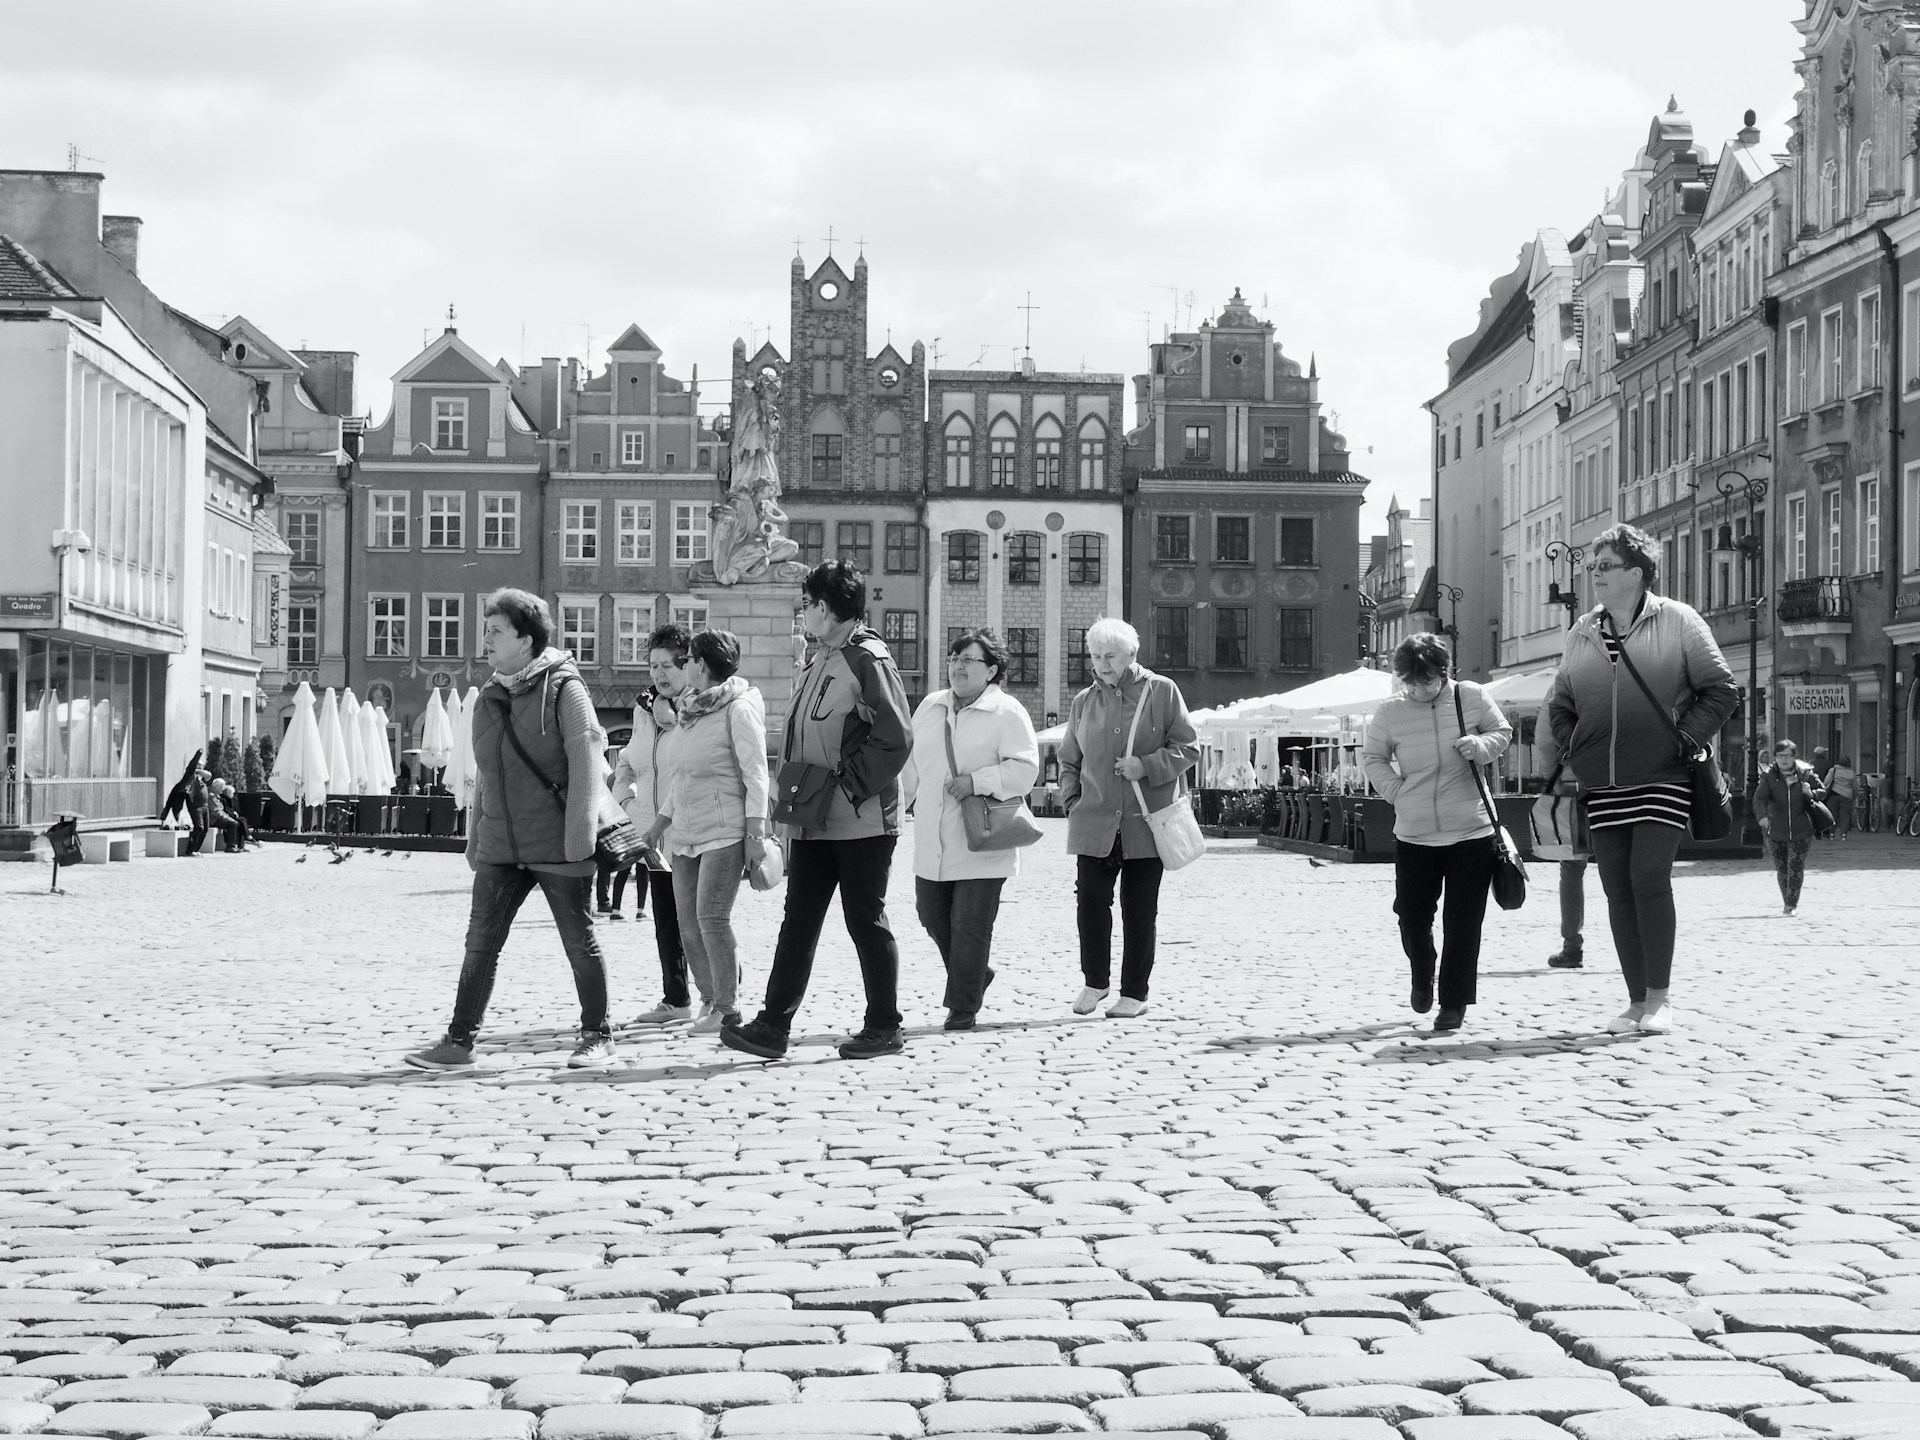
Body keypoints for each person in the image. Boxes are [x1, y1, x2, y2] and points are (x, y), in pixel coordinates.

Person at [405, 589, 618, 1072]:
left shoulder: (566, 689)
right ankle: (459, 1042)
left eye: (496, 631)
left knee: (577, 941)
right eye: (487, 630)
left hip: (558, 843)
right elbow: (486, 773)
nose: (487, 639)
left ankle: (597, 1035)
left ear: (525, 639)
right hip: (502, 844)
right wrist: (477, 837)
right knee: (480, 943)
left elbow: (587, 762)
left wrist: (579, 840)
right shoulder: (491, 695)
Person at [1546, 524, 1738, 1036]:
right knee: (1616, 888)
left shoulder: (1678, 621)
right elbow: (1560, 702)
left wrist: (1681, 740)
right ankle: (1636, 1001)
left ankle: (1660, 998)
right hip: (1603, 782)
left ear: (1635, 572)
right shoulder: (1582, 630)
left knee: (1648, 878)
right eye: (1592, 567)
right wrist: (1573, 748)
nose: (1594, 576)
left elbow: (1720, 690)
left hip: (1662, 776)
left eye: (1603, 566)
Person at [722, 561, 913, 1062]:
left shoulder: (866, 660)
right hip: (812, 820)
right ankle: (773, 1025)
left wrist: (848, 788)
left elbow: (895, 738)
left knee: (864, 920)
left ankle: (883, 1025)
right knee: (798, 921)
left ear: (825, 609)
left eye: (806, 604)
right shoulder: (820, 658)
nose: (802, 612)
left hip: (861, 821)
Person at [1362, 633, 1513, 1034]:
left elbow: (1502, 732)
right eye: (1410, 682)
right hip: (1415, 833)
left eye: (1426, 681)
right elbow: (1373, 758)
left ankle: (1454, 1003)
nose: (1418, 689)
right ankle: (1422, 968)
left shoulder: (1472, 696)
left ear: (1443, 674)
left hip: (1471, 829)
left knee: (1464, 922)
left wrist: (1480, 746)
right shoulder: (1391, 710)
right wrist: (1397, 793)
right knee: (1411, 916)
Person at [1058, 617, 1199, 1019]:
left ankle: (1134, 992)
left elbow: (1188, 748)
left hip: (1144, 822)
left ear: (1131, 655)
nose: (1102, 664)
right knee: (1090, 905)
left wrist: (1147, 765)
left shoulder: (1161, 691)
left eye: (1110, 657)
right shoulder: (1083, 701)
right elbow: (1069, 759)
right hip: (1095, 820)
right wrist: (1071, 803)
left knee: (1138, 910)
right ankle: (1095, 982)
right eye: (1096, 656)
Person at [901, 629, 1040, 1032]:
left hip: (983, 838)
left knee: (969, 924)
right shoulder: (930, 706)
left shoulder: (1008, 712)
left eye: (969, 660)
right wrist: (894, 808)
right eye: (954, 657)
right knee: (930, 914)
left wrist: (976, 781)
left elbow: (1025, 770)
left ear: (991, 670)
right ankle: (975, 973)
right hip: (932, 835)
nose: (958, 666)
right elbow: (910, 768)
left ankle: (962, 1006)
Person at [644, 629, 770, 1037]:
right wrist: (659, 825)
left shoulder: (738, 709)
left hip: (724, 831)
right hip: (684, 834)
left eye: (687, 660)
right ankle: (710, 999)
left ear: (701, 664)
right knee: (688, 924)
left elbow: (756, 774)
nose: (683, 667)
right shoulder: (690, 710)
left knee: (712, 918)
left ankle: (728, 1009)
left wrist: (755, 834)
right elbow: (680, 776)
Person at [611, 625, 694, 1026]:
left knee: (699, 921)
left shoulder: (699, 706)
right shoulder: (643, 709)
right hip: (651, 831)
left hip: (692, 828)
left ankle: (721, 995)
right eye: (653, 666)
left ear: (688, 665)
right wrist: (627, 801)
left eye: (667, 665)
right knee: (665, 918)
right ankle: (675, 999)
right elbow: (628, 759)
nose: (659, 674)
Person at [1754, 739, 1827, 915]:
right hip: (1775, 829)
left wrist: (1810, 792)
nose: (1783, 760)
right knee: (1782, 869)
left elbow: (1823, 792)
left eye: (1787, 756)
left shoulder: (1806, 773)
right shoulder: (1769, 776)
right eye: (1780, 756)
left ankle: (1790, 905)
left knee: (1795, 867)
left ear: (1795, 756)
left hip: (1801, 828)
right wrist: (1762, 817)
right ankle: (1787, 900)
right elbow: (1759, 798)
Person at [207, 779, 253, 851]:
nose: (223, 789)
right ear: (217, 787)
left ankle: (239, 845)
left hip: (217, 818)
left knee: (238, 822)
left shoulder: (216, 795)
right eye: (222, 787)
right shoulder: (211, 796)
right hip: (213, 820)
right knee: (233, 823)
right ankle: (230, 846)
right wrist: (228, 818)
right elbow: (216, 812)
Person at [1822, 753, 1857, 839]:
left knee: (1832, 815)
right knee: (1845, 816)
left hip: (1833, 795)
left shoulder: (1833, 770)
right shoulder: (1851, 772)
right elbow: (1855, 786)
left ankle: (1831, 834)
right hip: (1846, 796)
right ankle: (1844, 835)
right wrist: (1854, 795)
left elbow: (1826, 782)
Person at [184, 767, 213, 856]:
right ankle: (190, 850)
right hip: (196, 807)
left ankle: (196, 849)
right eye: (198, 765)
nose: (200, 767)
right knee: (199, 827)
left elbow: (209, 775)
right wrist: (195, 770)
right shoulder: (191, 778)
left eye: (201, 765)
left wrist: (198, 771)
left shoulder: (203, 778)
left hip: (205, 806)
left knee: (205, 829)